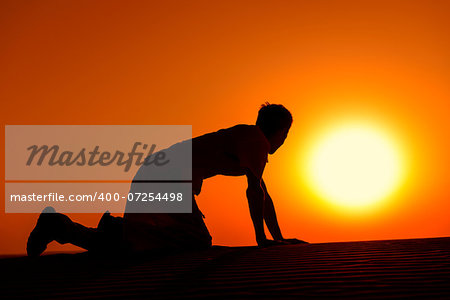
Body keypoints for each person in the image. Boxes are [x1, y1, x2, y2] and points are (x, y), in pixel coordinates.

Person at [27, 103, 307, 257]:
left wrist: (278, 238)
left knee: (180, 241)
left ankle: (108, 229)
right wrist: (262, 241)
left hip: (164, 175)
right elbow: (254, 193)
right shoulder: (256, 140)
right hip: (166, 178)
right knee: (180, 244)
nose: (283, 142)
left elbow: (262, 193)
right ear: (281, 131)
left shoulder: (248, 140)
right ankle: (66, 227)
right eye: (285, 136)